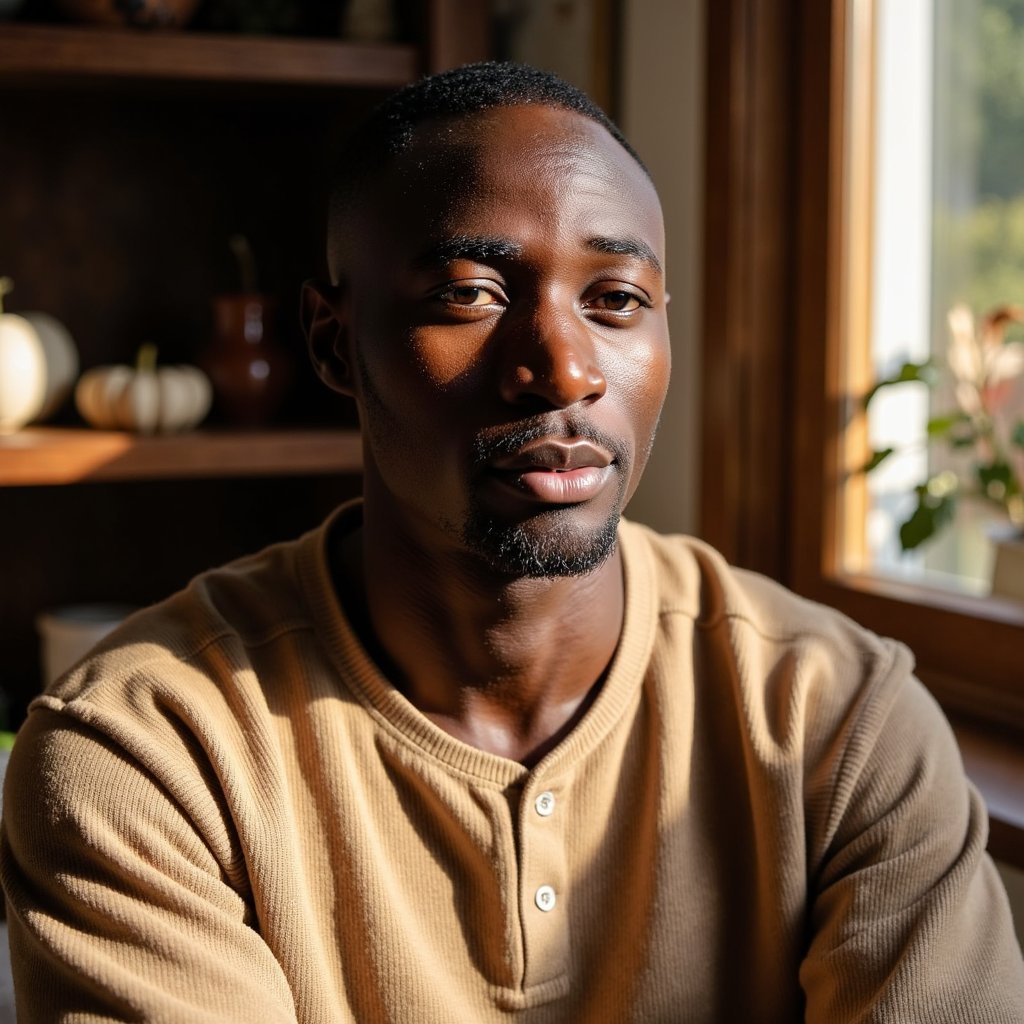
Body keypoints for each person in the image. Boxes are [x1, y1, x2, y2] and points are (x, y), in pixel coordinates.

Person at [2, 61, 1023, 1024]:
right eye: (470, 295)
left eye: (615, 300)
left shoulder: (839, 724)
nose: (565, 367)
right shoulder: (143, 754)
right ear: (331, 344)